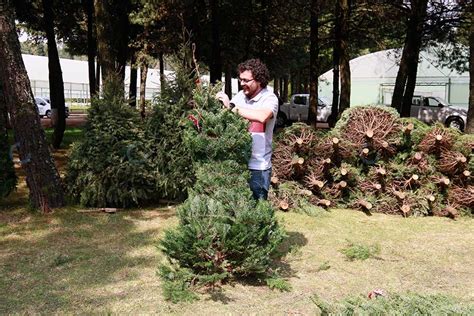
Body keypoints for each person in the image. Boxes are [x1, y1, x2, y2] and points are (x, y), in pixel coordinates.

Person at [216, 59, 278, 200]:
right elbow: (228, 115)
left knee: (257, 212)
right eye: (240, 79)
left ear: (259, 80)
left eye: (246, 80)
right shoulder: (241, 96)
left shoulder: (269, 98)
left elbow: (262, 116)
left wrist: (231, 107)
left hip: (258, 167)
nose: (242, 83)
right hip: (238, 162)